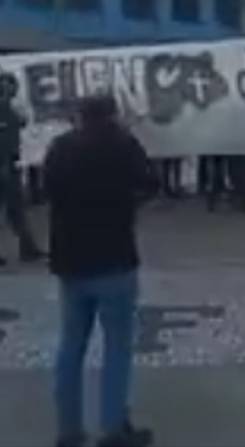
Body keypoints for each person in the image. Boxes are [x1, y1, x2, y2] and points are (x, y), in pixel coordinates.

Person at [43, 96, 154, 447]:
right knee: (117, 347)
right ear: (113, 115)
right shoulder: (123, 145)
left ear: (80, 115)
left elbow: (47, 190)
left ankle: (68, 430)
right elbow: (150, 184)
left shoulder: (61, 147)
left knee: (71, 346)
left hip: (71, 259)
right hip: (114, 256)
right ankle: (113, 427)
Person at [0, 72, 45, 266]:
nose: (15, 89)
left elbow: (16, 127)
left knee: (9, 209)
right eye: (10, 85)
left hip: (2, 164)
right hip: (0, 165)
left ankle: (25, 246)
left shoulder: (5, 108)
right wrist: (4, 165)